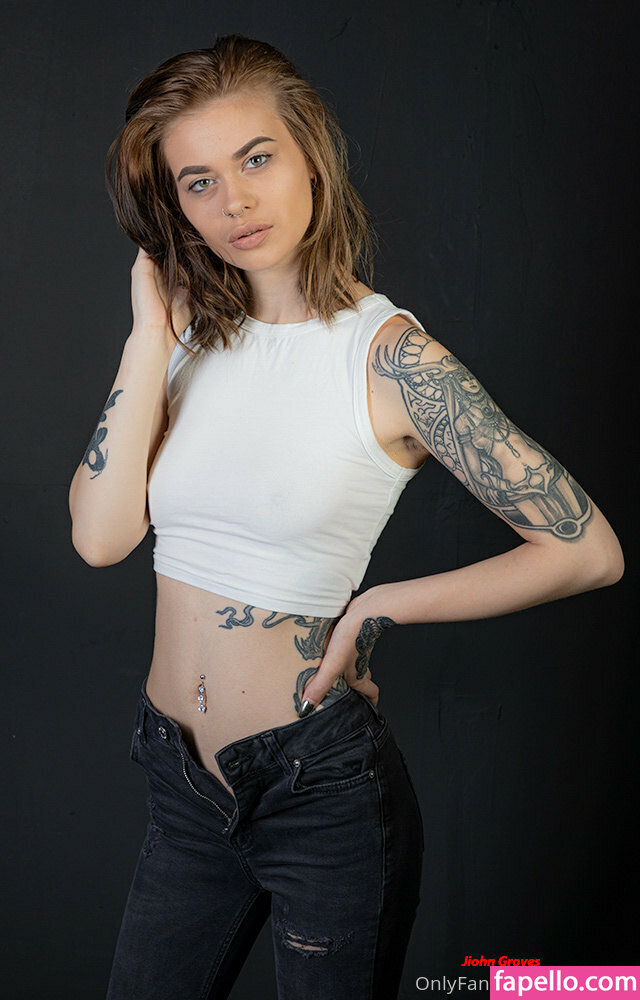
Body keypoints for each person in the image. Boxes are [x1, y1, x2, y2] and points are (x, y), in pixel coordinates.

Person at [67, 33, 623, 1000]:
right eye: (198, 181)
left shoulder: (392, 360)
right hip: (181, 781)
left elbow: (588, 551)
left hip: (317, 791)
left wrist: (377, 608)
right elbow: (101, 537)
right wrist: (149, 334)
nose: (234, 201)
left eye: (257, 158)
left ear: (311, 157)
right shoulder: (188, 336)